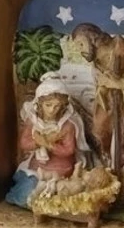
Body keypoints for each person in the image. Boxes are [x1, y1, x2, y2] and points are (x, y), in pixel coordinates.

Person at [71, 23, 124, 214]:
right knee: (114, 148)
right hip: (117, 114)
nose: (80, 51)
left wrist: (121, 84)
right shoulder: (97, 65)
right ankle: (121, 188)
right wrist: (104, 90)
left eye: (81, 44)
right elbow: (102, 93)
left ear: (93, 39)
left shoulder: (123, 51)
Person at [6, 72, 91, 209]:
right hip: (37, 168)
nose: (52, 110)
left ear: (63, 106)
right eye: (48, 105)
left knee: (58, 191)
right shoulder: (33, 121)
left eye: (57, 106)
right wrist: (38, 142)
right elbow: (24, 143)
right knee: (27, 189)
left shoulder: (67, 125)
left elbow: (69, 150)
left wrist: (48, 145)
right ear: (40, 104)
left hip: (61, 169)